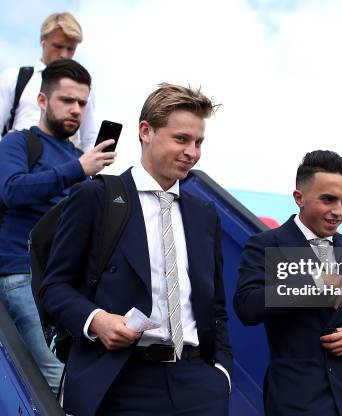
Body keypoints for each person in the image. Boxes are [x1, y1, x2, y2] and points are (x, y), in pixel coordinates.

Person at [39, 83, 233, 416]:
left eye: (198, 142)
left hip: (198, 385)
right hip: (120, 382)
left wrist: (221, 374)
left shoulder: (205, 215)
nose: (192, 152)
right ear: (146, 131)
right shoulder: (96, 198)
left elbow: (215, 306)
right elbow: (54, 288)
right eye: (181, 139)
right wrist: (97, 320)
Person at [0, 59, 115, 395]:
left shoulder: (80, 159)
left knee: (84, 377)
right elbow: (14, 189)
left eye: (82, 104)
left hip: (65, 284)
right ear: (43, 101)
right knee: (58, 379)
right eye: (67, 100)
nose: (76, 110)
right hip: (21, 274)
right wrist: (78, 169)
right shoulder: (17, 144)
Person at [234, 150, 342, 416]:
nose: (338, 211)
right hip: (296, 402)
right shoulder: (267, 245)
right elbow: (247, 306)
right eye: (328, 200)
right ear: (299, 198)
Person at [0, 12, 98, 152]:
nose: (64, 54)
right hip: (20, 163)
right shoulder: (14, 77)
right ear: (43, 40)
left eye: (70, 49)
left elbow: (89, 138)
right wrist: (7, 152)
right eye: (58, 46)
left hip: (66, 166)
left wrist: (83, 169)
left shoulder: (83, 86)